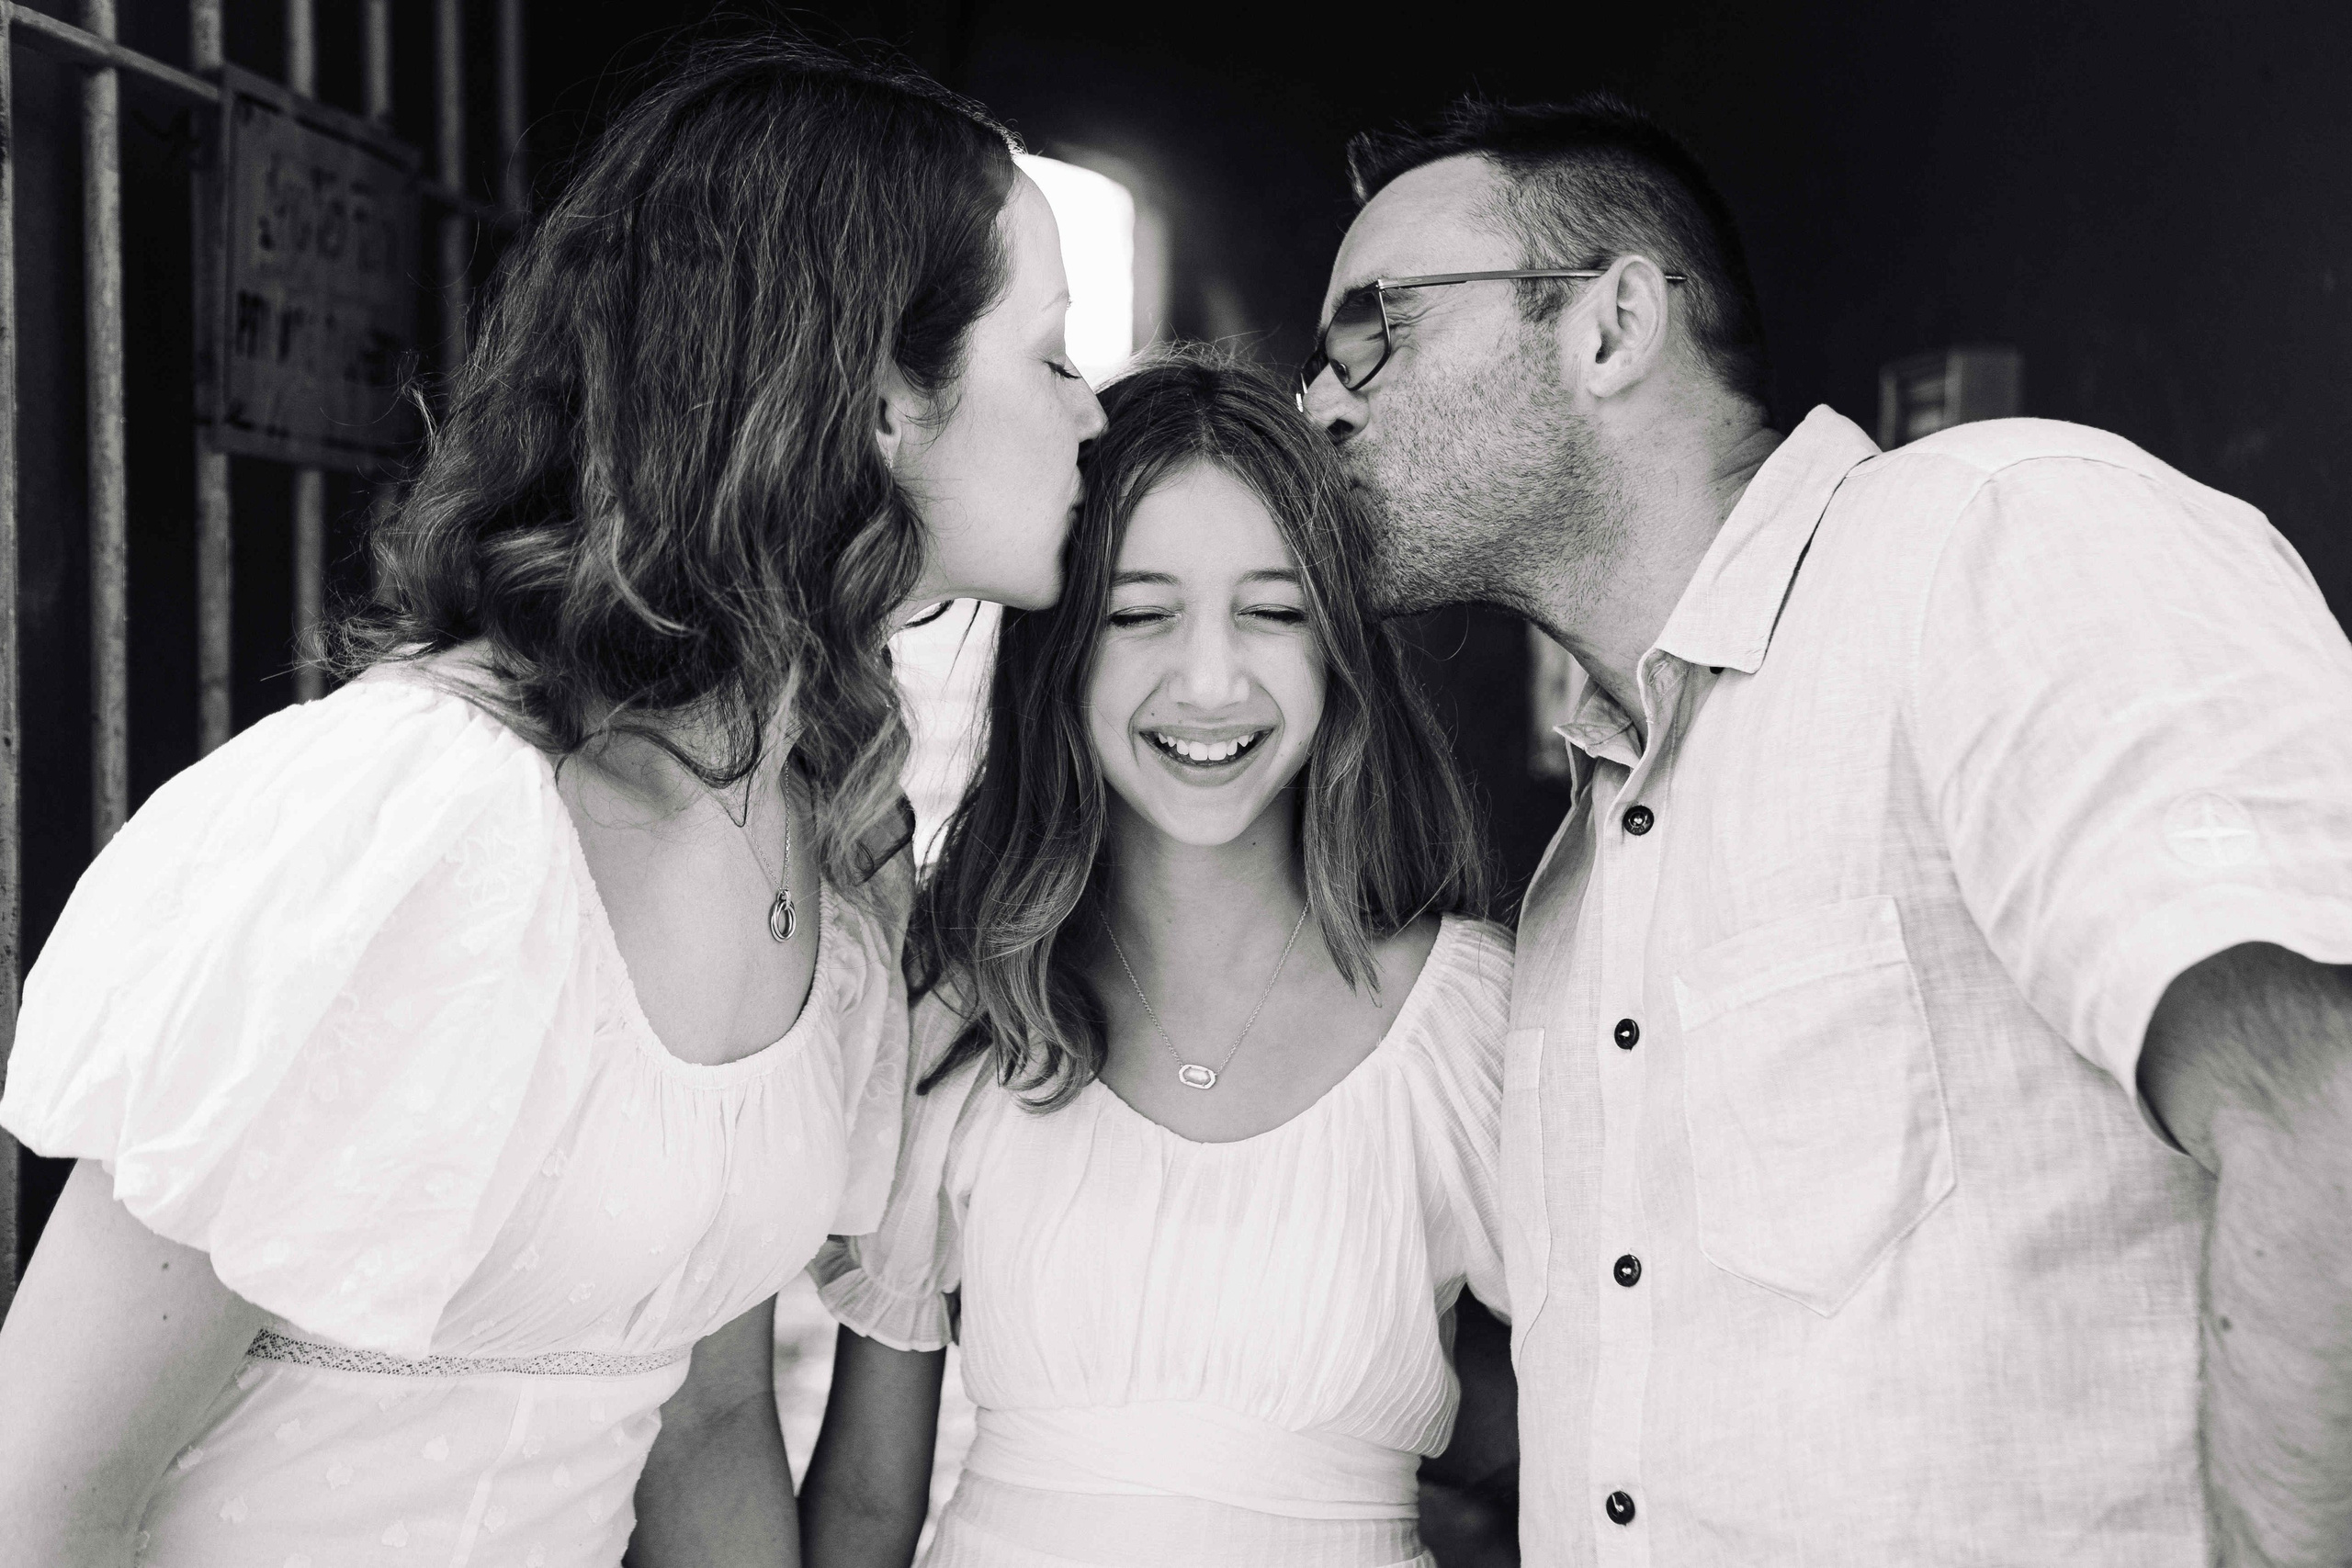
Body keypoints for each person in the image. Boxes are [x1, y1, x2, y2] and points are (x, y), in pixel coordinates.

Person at [0, 37, 1103, 1568]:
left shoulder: (815, 844)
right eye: (1050, 354)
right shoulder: (416, 831)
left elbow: (709, 1432)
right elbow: (42, 1497)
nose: (1090, 413)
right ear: (877, 402)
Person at [1300, 91, 2352, 1567]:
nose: (1321, 402)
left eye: (1375, 330)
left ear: (1610, 326)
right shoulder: (1572, 887)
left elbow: (2323, 1102)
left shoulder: (1991, 536)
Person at [797, 351, 1514, 1568]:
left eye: (1274, 611)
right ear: (1061, 651)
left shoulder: (1468, 1021)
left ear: (1341, 652)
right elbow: (867, 1505)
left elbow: (1607, 1447)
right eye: (1139, 615)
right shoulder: (961, 1019)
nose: (1210, 681)